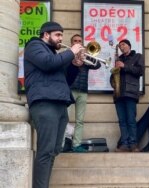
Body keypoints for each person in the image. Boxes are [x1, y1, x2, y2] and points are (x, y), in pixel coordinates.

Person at [24, 21, 83, 188]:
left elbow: (66, 80)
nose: (61, 39)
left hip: (59, 103)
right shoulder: (34, 46)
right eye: (57, 35)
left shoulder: (55, 56)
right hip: (44, 103)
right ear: (46, 35)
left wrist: (74, 65)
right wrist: (71, 52)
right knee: (46, 150)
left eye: (61, 35)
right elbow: (48, 63)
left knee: (54, 150)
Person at [68, 34, 101, 152]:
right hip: (69, 90)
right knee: (64, 119)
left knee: (80, 120)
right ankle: (60, 145)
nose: (77, 42)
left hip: (82, 91)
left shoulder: (85, 55)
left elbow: (98, 65)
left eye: (79, 41)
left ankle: (76, 145)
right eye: (75, 41)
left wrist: (88, 55)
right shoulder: (67, 54)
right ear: (71, 43)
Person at [110, 39, 144, 152]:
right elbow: (113, 79)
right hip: (118, 94)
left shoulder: (138, 56)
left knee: (130, 120)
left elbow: (140, 71)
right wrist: (114, 73)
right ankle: (124, 144)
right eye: (120, 46)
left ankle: (133, 144)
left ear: (129, 45)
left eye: (123, 45)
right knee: (122, 120)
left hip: (130, 93)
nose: (121, 47)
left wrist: (124, 66)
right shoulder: (118, 59)